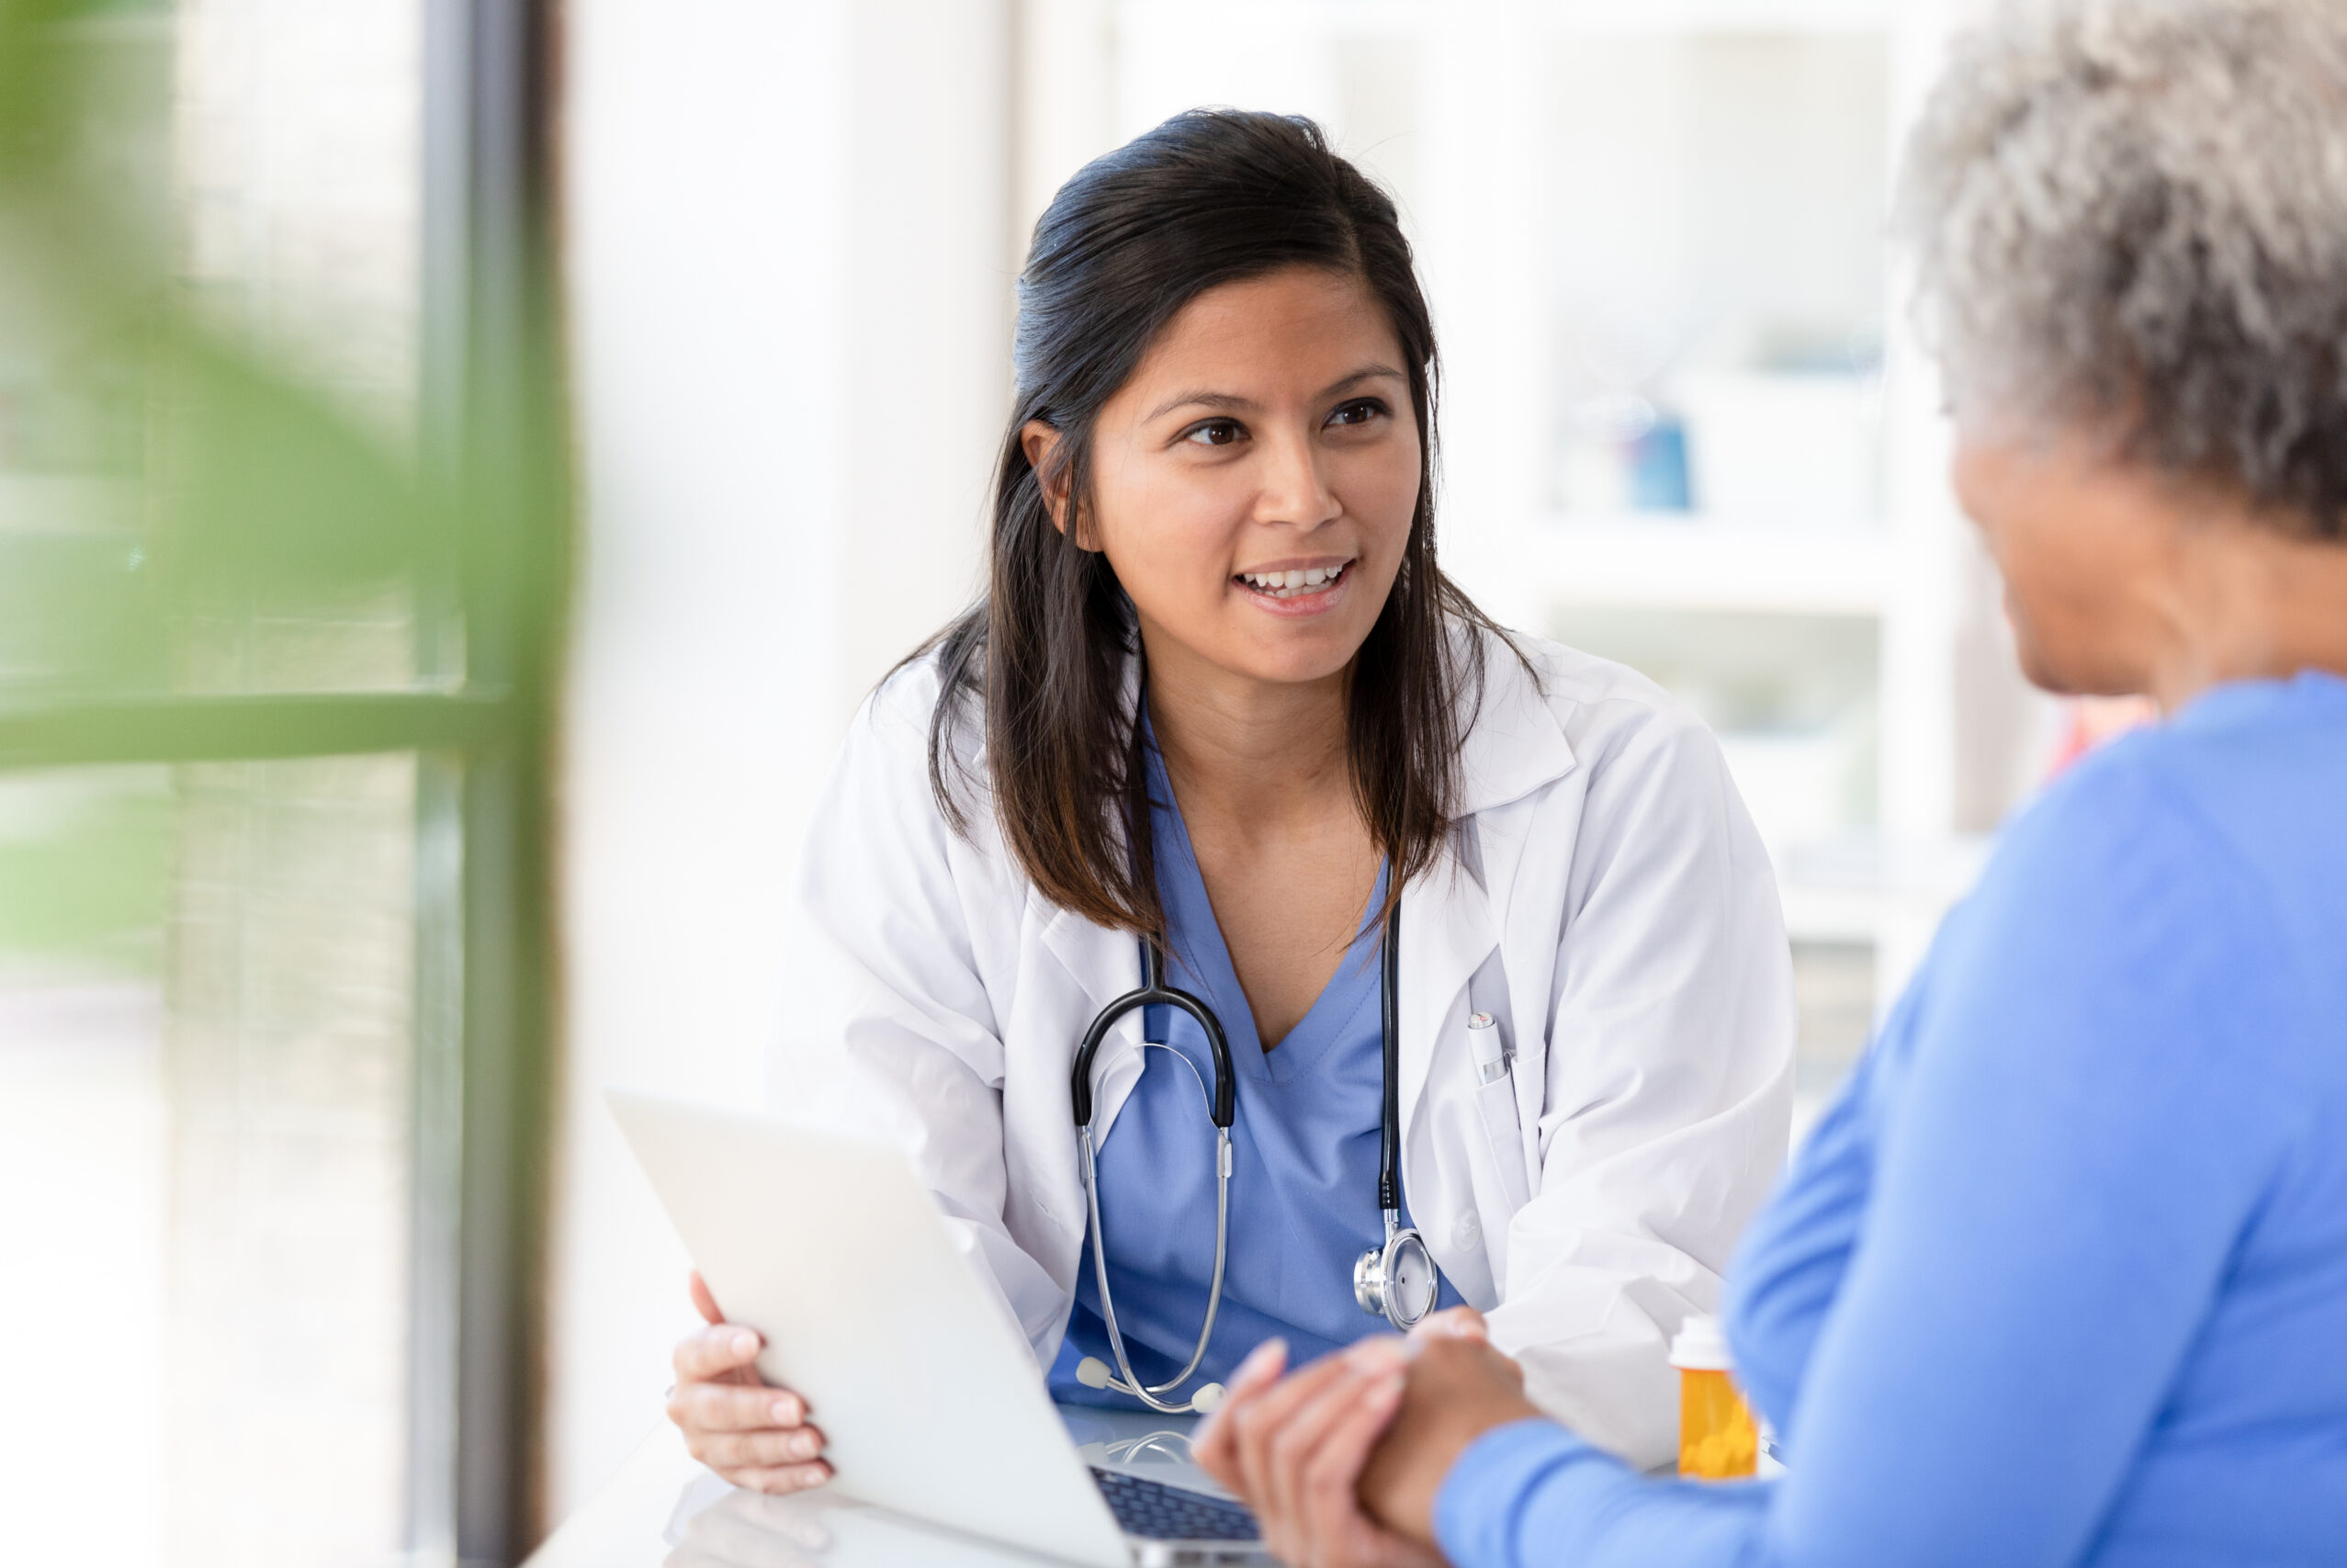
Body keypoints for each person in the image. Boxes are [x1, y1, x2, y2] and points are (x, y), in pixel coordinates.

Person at [1192, 3, 2347, 1564]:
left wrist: (1483, 1473)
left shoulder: (2157, 878)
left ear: (2115, 393)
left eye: (1960, 401)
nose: (1960, 480)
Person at [665, 109, 1794, 1494]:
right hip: (1051, 1521)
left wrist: (1383, 1464)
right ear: (1066, 483)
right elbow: (887, 1243)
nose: (1306, 497)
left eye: (1356, 416)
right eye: (1216, 433)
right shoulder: (943, 767)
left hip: (1463, 1512)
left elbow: (1652, 1283)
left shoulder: (1621, 784)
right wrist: (801, 1387)